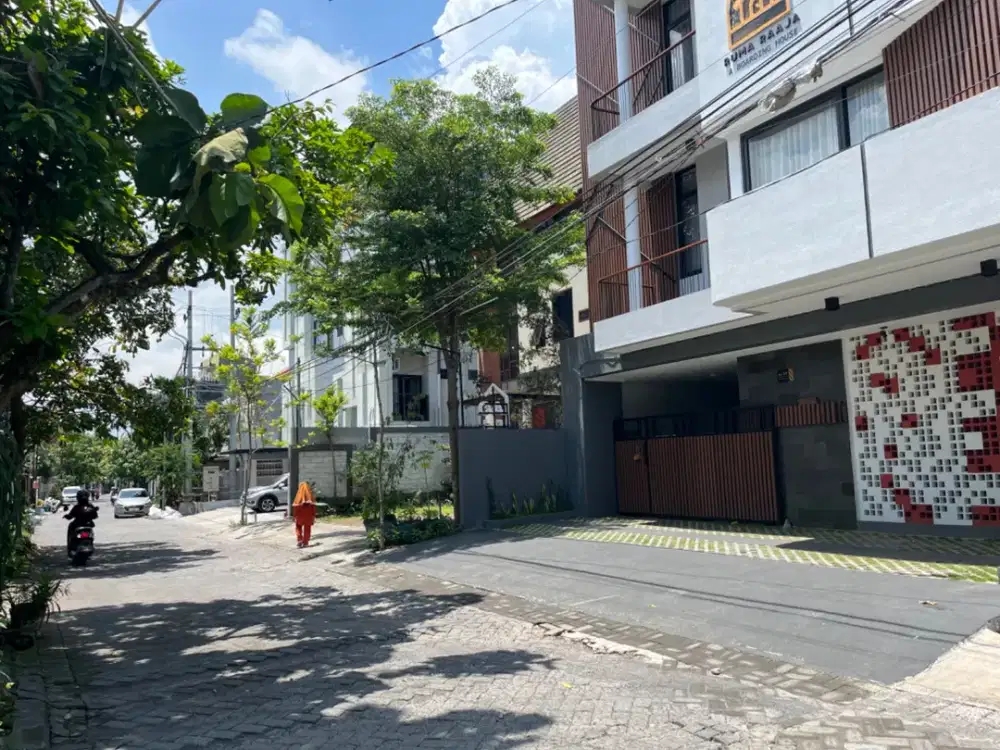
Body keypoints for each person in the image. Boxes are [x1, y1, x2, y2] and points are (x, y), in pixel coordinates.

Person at [64, 489, 98, 553]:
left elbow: (70, 516)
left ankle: (71, 547)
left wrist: (66, 516)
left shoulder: (77, 506)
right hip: (86, 524)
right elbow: (95, 516)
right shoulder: (89, 506)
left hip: (79, 524)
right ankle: (72, 545)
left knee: (71, 525)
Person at [291, 482, 317, 548]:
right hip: (308, 516)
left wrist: (294, 516)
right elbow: (313, 507)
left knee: (298, 527)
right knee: (307, 529)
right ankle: (305, 542)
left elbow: (295, 508)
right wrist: (313, 516)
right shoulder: (310, 497)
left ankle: (299, 540)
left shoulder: (298, 496)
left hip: (299, 516)